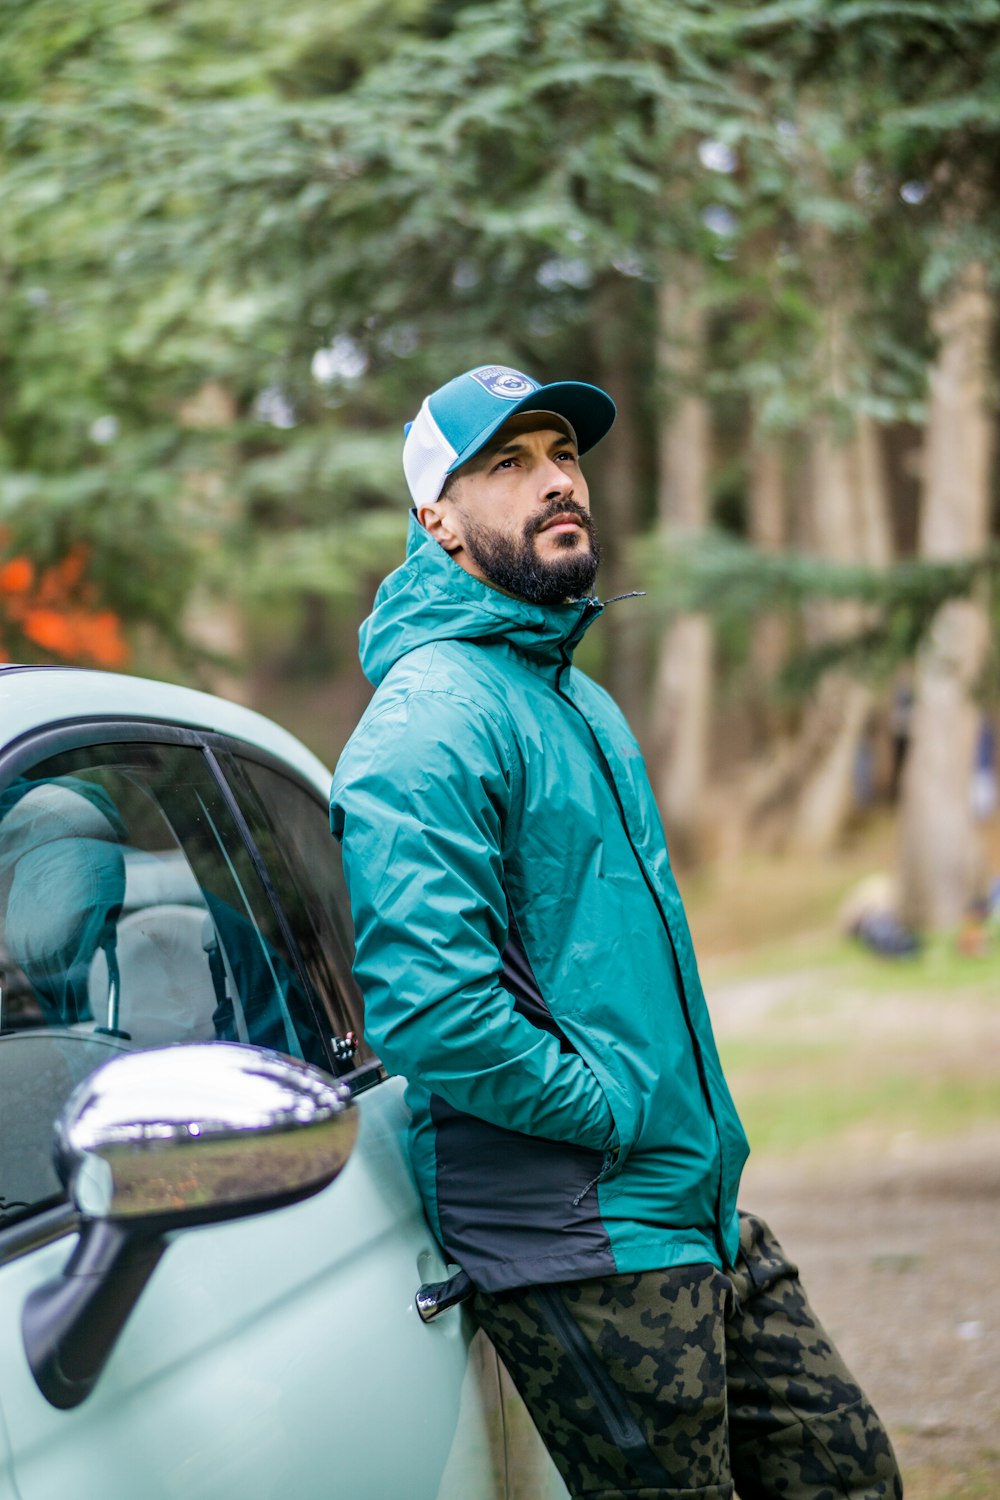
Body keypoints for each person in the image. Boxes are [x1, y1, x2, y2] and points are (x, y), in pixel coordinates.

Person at [330, 364, 902, 1500]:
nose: (555, 483)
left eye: (563, 457)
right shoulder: (430, 717)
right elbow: (431, 1010)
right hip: (581, 1238)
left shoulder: (568, 697)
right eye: (508, 463)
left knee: (843, 1471)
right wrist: (612, 1116)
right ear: (434, 519)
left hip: (685, 1206)